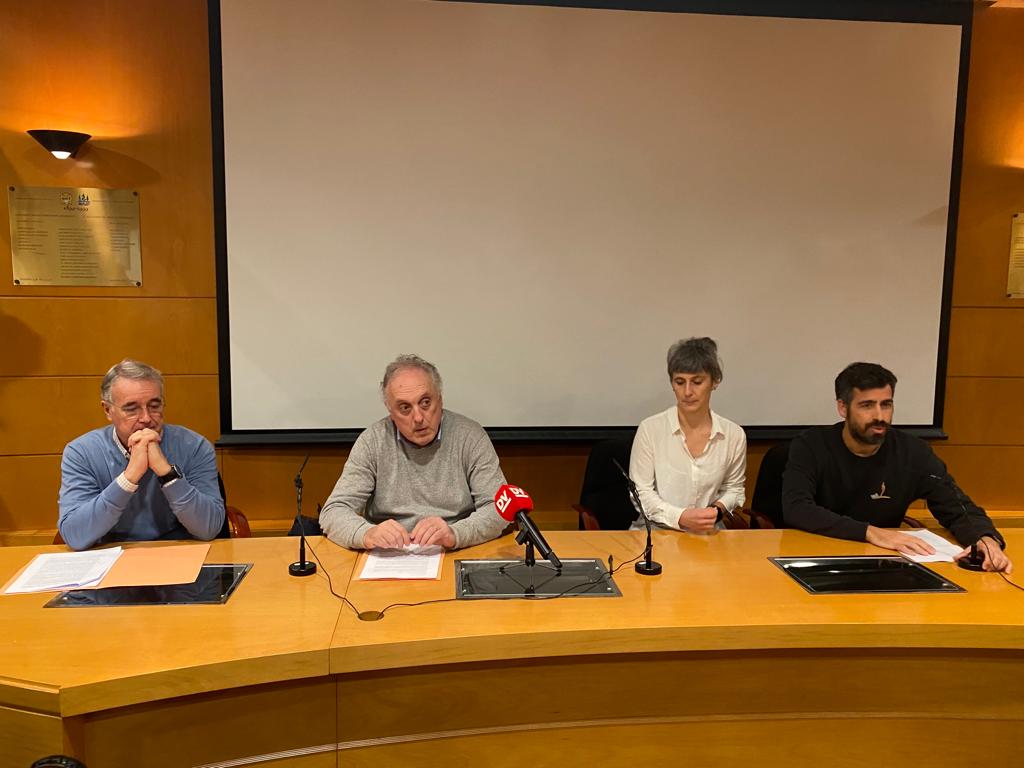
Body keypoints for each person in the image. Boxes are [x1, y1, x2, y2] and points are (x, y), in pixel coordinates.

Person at [782, 362, 1012, 573]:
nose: (879, 416)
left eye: (886, 404)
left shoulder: (913, 452)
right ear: (843, 408)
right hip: (818, 557)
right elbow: (797, 508)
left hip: (885, 562)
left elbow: (957, 506)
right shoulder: (811, 446)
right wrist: (871, 533)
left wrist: (985, 539)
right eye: (867, 405)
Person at [319, 354, 507, 550]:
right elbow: (333, 511)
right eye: (404, 408)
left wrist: (455, 534)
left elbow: (499, 508)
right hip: (389, 556)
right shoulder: (372, 441)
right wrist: (366, 533)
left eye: (425, 402)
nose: (418, 417)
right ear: (390, 411)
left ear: (440, 400)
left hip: (454, 551)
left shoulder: (470, 437)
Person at [57, 359, 225, 551]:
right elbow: (75, 535)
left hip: (178, 554)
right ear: (107, 410)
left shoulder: (194, 446)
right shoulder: (81, 453)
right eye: (131, 409)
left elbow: (208, 528)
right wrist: (129, 478)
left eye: (154, 406)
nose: (146, 419)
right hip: (111, 557)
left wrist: (166, 473)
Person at [629, 337, 747, 532]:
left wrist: (716, 511)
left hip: (708, 534)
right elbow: (641, 493)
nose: (687, 391)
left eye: (697, 382)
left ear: (715, 382)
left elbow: (734, 489)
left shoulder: (733, 435)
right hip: (655, 533)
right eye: (679, 382)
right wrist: (681, 517)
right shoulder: (650, 429)